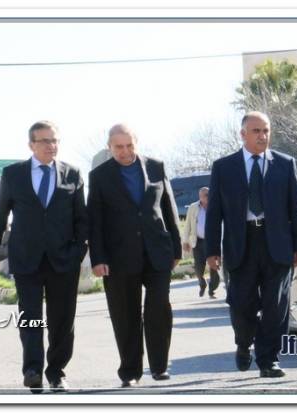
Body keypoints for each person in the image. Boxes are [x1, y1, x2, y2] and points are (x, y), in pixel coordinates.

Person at [0, 121, 88, 393]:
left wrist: (79, 251)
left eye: (55, 140)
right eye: (45, 141)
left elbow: (82, 218)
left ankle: (56, 372)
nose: (52, 145)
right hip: (26, 258)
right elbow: (0, 215)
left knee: (62, 320)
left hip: (64, 259)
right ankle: (32, 370)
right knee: (30, 317)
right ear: (31, 145)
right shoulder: (13, 174)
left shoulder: (73, 174)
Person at [205, 111, 297, 378]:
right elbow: (214, 213)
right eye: (256, 131)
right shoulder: (224, 167)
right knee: (242, 304)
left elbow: (296, 209)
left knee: (276, 305)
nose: (262, 136)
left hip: (277, 244)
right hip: (241, 245)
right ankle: (243, 342)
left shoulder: (284, 164)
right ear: (243, 134)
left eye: (266, 130)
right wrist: (212, 250)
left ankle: (268, 359)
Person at [87, 123, 182, 388]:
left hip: (157, 251)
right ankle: (130, 371)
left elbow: (169, 208)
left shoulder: (156, 167)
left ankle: (159, 367)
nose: (125, 151)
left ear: (136, 143)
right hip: (118, 257)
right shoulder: (99, 176)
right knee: (125, 315)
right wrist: (98, 258)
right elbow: (95, 220)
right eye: (119, 147)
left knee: (158, 308)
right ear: (109, 147)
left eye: (130, 145)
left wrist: (176, 247)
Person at [182, 187, 220, 298]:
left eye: (209, 194)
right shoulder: (193, 207)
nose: (208, 196)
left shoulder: (215, 205)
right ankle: (202, 283)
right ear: (200, 197)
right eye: (206, 195)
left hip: (212, 242)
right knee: (199, 267)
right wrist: (185, 241)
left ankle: (212, 290)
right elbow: (187, 225)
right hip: (198, 242)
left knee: (214, 267)